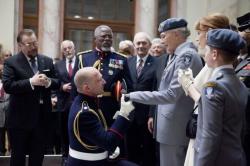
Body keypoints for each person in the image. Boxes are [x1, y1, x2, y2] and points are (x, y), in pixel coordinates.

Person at [124, 18, 203, 166]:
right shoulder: (177, 55)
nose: (161, 40)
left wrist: (132, 95)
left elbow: (171, 94)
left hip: (175, 128)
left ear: (177, 35)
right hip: (170, 126)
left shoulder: (187, 56)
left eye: (163, 36)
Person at [177, 13, 230, 166]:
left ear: (209, 33)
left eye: (199, 33)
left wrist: (187, 84)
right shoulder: (209, 61)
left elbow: (208, 101)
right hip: (199, 125)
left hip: (207, 128)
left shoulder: (217, 63)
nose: (196, 38)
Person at [2, 29, 60, 166]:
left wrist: (49, 82)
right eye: (29, 44)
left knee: (37, 157)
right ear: (20, 45)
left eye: (35, 43)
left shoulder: (46, 60)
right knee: (18, 157)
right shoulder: (11, 62)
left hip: (41, 118)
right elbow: (8, 86)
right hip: (19, 120)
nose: (34, 46)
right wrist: (30, 82)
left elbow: (57, 82)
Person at [192, 29, 248, 166]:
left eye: (207, 49)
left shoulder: (213, 86)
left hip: (217, 160)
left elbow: (210, 136)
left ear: (215, 54)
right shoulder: (240, 84)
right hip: (236, 157)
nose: (205, 53)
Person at [67, 67, 137, 166]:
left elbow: (98, 134)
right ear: (87, 88)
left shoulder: (86, 101)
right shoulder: (84, 113)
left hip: (100, 158)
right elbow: (109, 143)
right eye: (99, 80)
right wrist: (123, 115)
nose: (104, 82)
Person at [75, 25, 132, 127]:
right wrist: (75, 107)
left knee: (111, 138)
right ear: (95, 39)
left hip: (111, 107)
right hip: (87, 105)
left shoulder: (121, 59)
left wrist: (124, 107)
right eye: (104, 36)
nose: (107, 39)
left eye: (110, 37)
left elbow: (129, 86)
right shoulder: (82, 58)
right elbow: (75, 86)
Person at [126, 32, 157, 166]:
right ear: (134, 45)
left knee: (147, 151)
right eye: (138, 43)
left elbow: (157, 90)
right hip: (129, 114)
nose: (141, 46)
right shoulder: (128, 62)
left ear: (149, 45)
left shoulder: (158, 63)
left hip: (146, 116)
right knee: (130, 150)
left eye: (144, 43)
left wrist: (152, 115)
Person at [54, 40, 77, 165]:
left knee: (76, 129)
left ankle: (76, 154)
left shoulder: (80, 62)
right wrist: (62, 87)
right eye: (65, 49)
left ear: (74, 48)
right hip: (63, 103)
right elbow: (54, 82)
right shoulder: (58, 65)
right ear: (62, 51)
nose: (68, 50)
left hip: (77, 101)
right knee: (63, 130)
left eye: (70, 48)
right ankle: (65, 156)